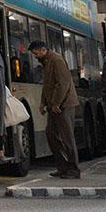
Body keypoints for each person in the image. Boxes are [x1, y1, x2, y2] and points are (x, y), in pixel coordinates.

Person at [29, 40, 81, 178]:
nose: (35, 56)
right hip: (54, 106)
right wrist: (43, 103)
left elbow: (63, 83)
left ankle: (73, 169)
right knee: (51, 135)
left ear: (42, 50)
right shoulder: (47, 62)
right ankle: (62, 167)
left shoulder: (56, 60)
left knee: (67, 137)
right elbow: (47, 85)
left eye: (35, 53)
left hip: (64, 105)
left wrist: (56, 103)